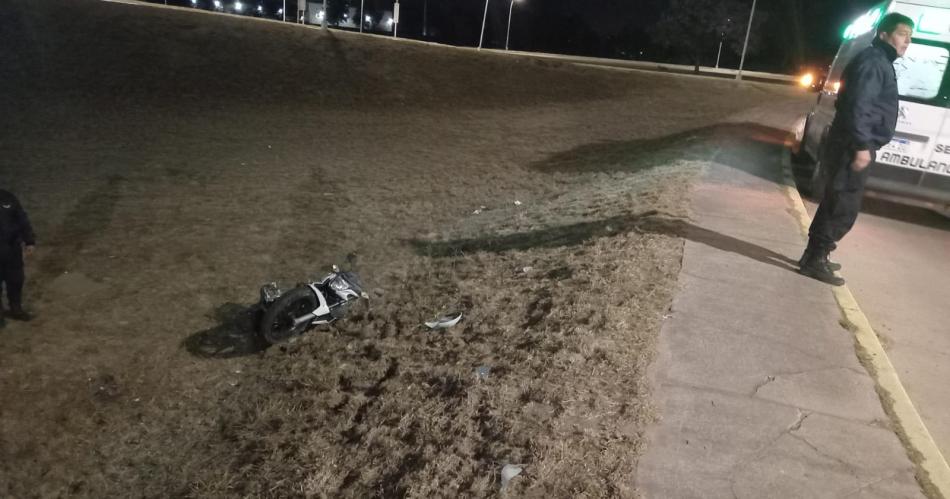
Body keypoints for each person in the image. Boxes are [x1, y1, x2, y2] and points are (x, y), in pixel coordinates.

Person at [799, 13, 914, 286]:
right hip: (852, 144)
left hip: (851, 142)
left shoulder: (878, 60)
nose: (907, 41)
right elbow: (859, 106)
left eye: (910, 36)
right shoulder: (874, 62)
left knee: (836, 200)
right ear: (884, 35)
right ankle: (816, 259)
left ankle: (813, 255)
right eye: (901, 34)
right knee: (843, 203)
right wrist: (862, 145)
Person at [0, 189, 36, 328]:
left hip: (11, 249)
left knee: (15, 280)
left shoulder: (7, 197)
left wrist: (29, 241)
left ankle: (16, 309)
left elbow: (21, 218)